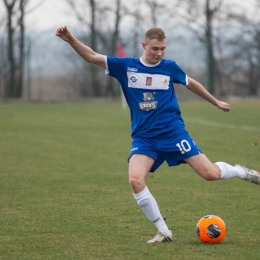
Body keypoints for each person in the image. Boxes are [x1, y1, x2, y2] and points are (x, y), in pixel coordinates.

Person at [56, 26, 260, 243]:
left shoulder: (169, 67)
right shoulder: (126, 67)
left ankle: (240, 171)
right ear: (144, 46)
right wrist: (70, 39)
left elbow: (192, 84)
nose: (160, 53)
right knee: (135, 180)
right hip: (144, 138)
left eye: (163, 48)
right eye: (155, 48)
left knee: (210, 174)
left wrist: (216, 101)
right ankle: (163, 231)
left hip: (173, 133)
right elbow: (92, 56)